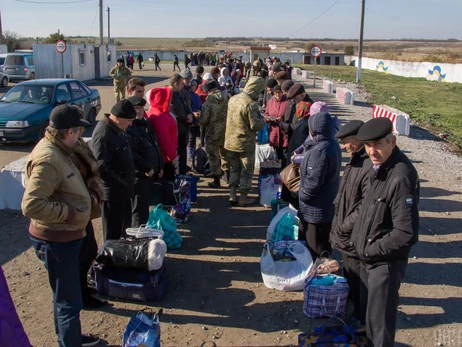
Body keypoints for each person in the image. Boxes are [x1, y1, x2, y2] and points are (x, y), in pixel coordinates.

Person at [21, 104, 100, 347]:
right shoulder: (49, 158)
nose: (80, 135)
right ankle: (70, 341)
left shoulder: (60, 149)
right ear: (69, 131)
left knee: (64, 297)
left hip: (65, 236)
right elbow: (31, 205)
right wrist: (68, 213)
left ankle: (69, 337)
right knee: (69, 301)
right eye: (78, 130)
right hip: (57, 239)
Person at [351, 117, 420, 347]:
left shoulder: (400, 176)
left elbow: (405, 233)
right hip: (372, 260)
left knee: (380, 329)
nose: (372, 151)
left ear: (393, 141)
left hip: (384, 264)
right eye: (368, 145)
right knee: (371, 322)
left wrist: (371, 250)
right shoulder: (381, 168)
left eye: (378, 144)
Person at [330, 120, 370, 322]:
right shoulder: (357, 158)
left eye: (345, 142)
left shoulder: (368, 164)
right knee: (351, 273)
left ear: (357, 139)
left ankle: (361, 319)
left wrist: (345, 226)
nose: (343, 147)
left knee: (359, 277)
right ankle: (354, 308)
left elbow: (365, 205)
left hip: (355, 233)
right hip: (347, 229)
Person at [297, 112, 341, 260]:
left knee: (314, 249)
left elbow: (313, 183)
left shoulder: (319, 152)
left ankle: (316, 276)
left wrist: (301, 195)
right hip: (325, 205)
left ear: (313, 130)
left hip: (315, 209)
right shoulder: (331, 143)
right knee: (322, 245)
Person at [91, 100, 136, 240]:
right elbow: (101, 166)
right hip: (113, 194)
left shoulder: (118, 129)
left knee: (124, 229)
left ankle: (120, 257)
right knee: (113, 233)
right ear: (117, 117)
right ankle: (110, 259)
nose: (131, 124)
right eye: (129, 120)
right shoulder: (104, 133)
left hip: (124, 191)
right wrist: (122, 182)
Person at [224, 76, 265, 206]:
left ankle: (232, 193)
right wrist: (263, 120)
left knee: (234, 168)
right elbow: (255, 125)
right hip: (245, 143)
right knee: (246, 170)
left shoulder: (233, 99)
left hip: (230, 141)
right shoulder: (251, 104)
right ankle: (243, 198)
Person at [127, 96, 164, 226]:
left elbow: (155, 145)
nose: (139, 111)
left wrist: (160, 166)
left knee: (145, 209)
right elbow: (133, 154)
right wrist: (147, 167)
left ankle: (143, 235)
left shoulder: (146, 123)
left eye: (141, 108)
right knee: (138, 212)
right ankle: (138, 239)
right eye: (136, 108)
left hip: (151, 173)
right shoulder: (130, 127)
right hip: (140, 176)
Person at [199, 80, 229, 188]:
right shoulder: (227, 98)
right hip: (226, 132)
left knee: (213, 156)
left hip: (212, 134)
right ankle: (229, 178)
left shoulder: (208, 102)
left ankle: (216, 180)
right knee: (226, 155)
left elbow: (203, 120)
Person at [147, 87, 178, 181]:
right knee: (168, 183)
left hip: (165, 156)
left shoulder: (160, 111)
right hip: (166, 158)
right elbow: (164, 139)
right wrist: (172, 156)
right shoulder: (159, 115)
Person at [170, 73, 193, 175]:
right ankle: (179, 176)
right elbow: (176, 111)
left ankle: (182, 173)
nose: (183, 85)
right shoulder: (170, 95)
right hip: (178, 128)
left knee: (183, 153)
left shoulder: (181, 93)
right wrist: (187, 118)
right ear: (175, 84)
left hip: (184, 127)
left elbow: (187, 105)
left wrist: (190, 115)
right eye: (181, 84)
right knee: (179, 154)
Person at [264, 85, 288, 166]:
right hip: (274, 130)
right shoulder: (270, 102)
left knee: (284, 153)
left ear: (282, 92)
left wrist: (282, 118)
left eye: (279, 93)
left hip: (284, 131)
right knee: (276, 153)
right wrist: (267, 118)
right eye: (275, 93)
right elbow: (266, 113)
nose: (277, 95)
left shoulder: (287, 102)